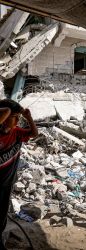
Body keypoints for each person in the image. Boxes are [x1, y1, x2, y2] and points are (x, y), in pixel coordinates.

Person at [0, 99, 38, 250]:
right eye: (13, 117)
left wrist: (28, 117)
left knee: (2, 215)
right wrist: (9, 110)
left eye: (17, 117)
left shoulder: (16, 134)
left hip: (6, 184)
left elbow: (34, 133)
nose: (16, 120)